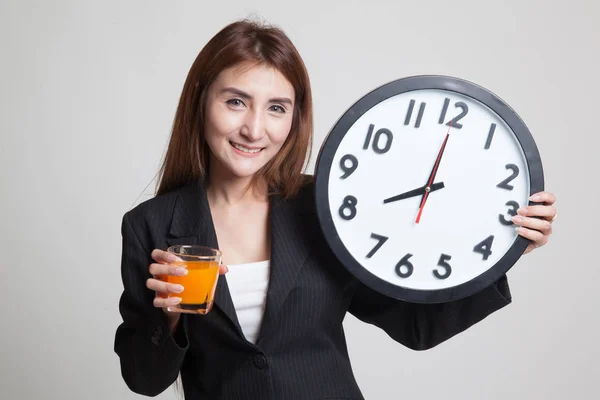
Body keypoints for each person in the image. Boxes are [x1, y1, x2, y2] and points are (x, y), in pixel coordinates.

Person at [114, 19, 558, 400]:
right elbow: (144, 379)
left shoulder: (322, 205)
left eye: (276, 108)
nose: (254, 128)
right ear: (200, 100)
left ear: (294, 118)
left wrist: (505, 251)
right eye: (235, 101)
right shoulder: (150, 226)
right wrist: (169, 316)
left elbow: (415, 328)